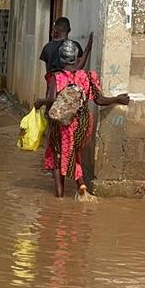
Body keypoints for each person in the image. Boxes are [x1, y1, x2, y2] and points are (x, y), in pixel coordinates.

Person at [35, 39, 130, 200]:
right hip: (84, 123)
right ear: (76, 58)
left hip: (63, 124)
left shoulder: (56, 77)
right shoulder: (87, 76)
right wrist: (117, 99)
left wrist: (39, 102)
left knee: (58, 155)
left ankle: (61, 195)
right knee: (74, 151)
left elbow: (51, 100)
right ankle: (80, 185)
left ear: (60, 59)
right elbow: (99, 100)